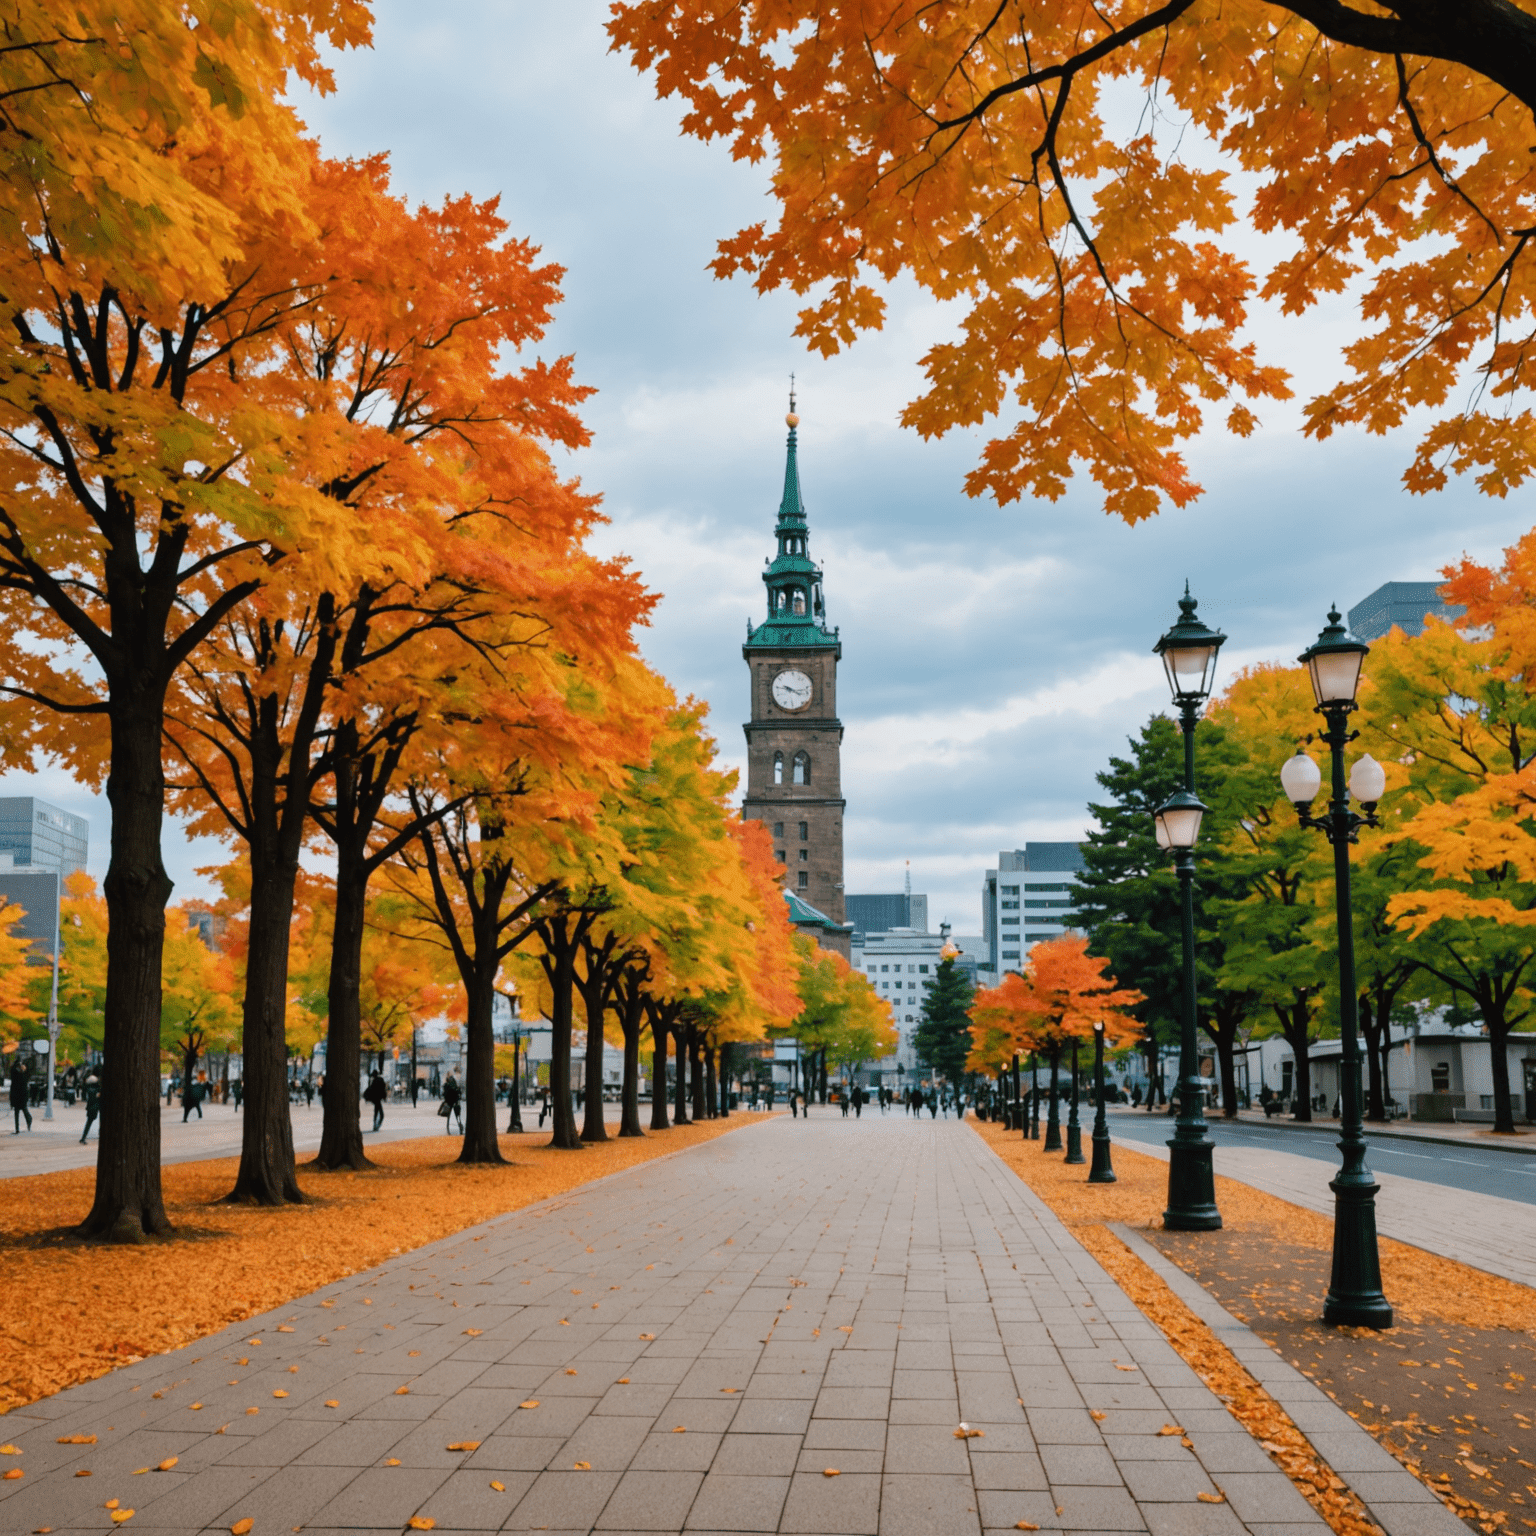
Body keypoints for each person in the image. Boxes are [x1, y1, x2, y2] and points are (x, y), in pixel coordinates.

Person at [10, 1057, 32, 1134]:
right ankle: (18, 1128)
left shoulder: (19, 1075)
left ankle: (18, 1128)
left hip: (19, 1095)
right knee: (20, 1111)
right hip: (20, 1095)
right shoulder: (23, 1075)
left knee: (21, 1111)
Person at [79, 1073, 100, 1143]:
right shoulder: (97, 1089)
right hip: (95, 1106)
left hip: (91, 1107)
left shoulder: (89, 1088)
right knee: (90, 1122)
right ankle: (83, 1138)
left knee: (89, 1122)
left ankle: (83, 1137)